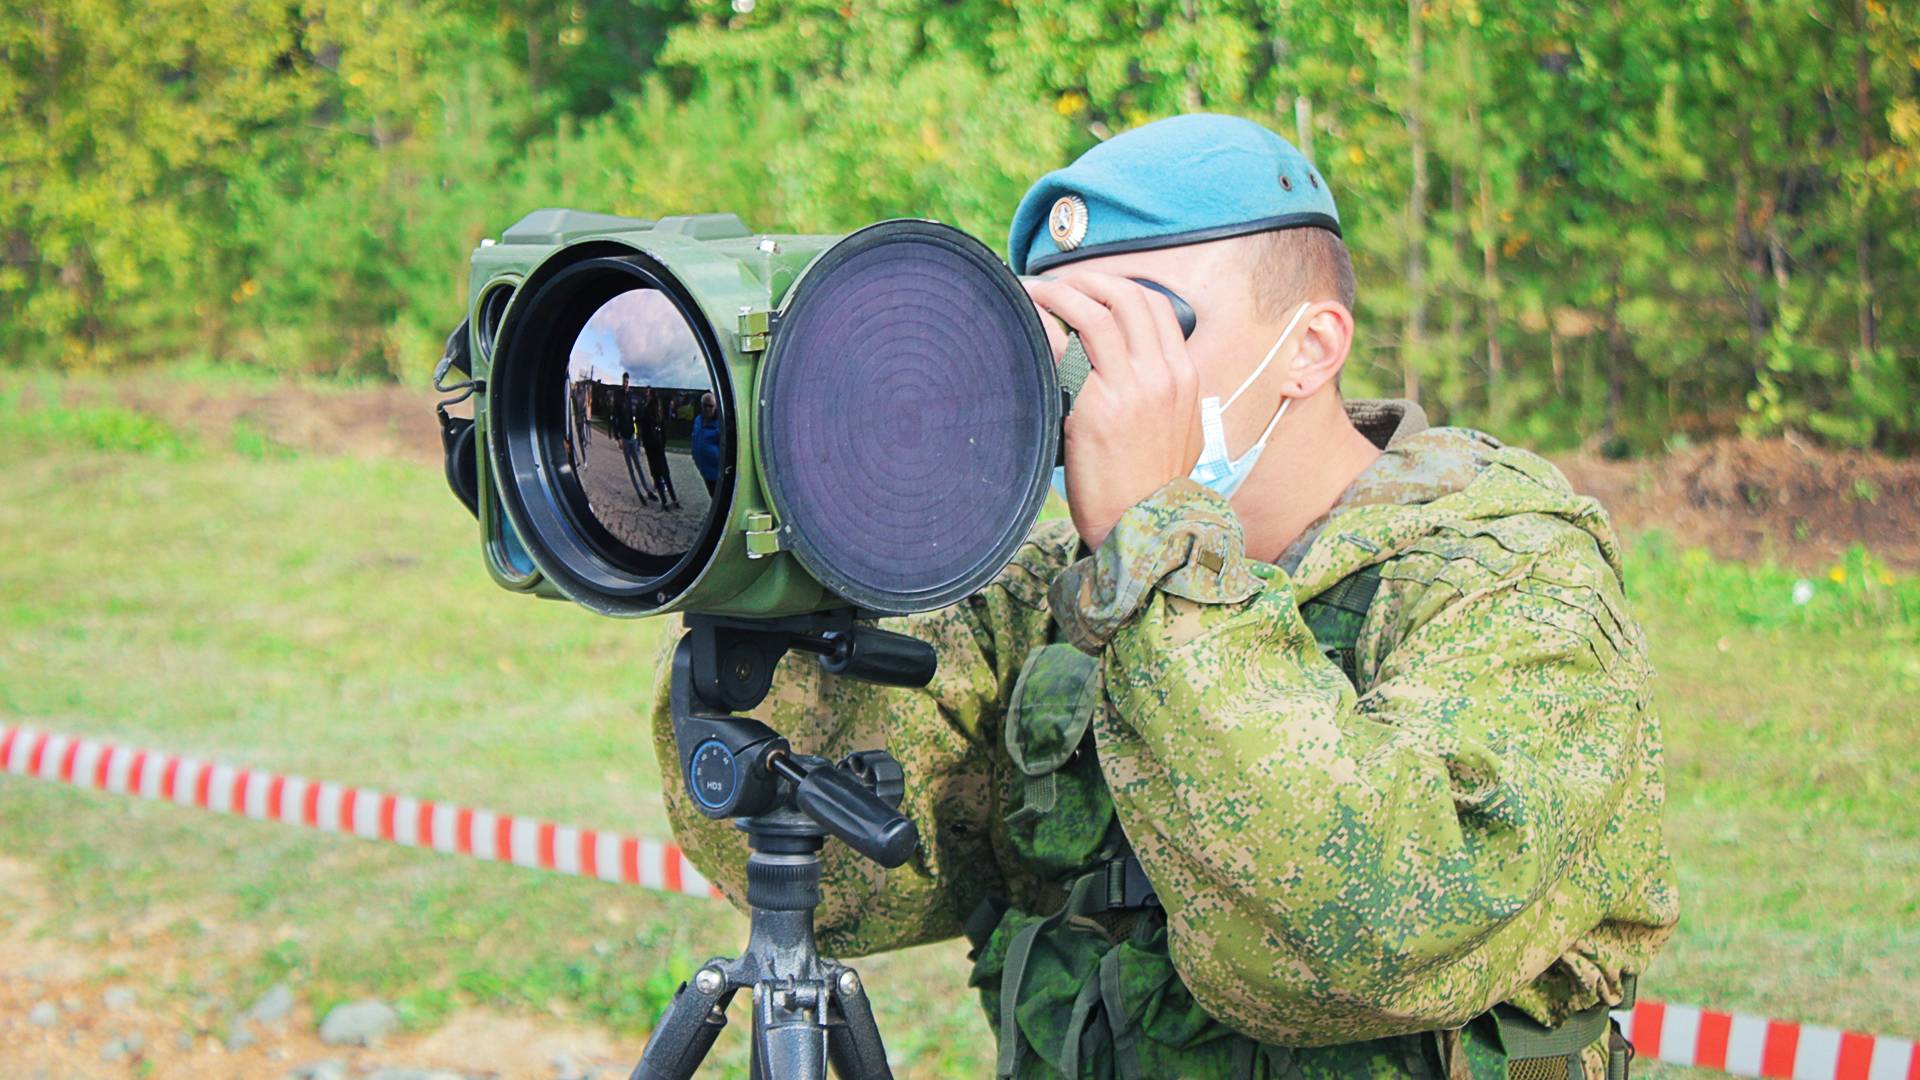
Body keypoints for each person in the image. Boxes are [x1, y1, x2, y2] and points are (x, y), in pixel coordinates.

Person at [649, 114, 1678, 1079]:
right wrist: (820, 523)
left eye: (1140, 328)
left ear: (1312, 347)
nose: (1092, 380)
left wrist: (1161, 552)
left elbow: (1373, 936)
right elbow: (848, 887)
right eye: (1059, 335)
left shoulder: (1507, 581)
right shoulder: (1048, 590)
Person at [617, 373, 655, 504]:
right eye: (624, 381)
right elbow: (615, 417)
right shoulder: (619, 397)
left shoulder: (632, 397)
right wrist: (618, 438)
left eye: (627, 381)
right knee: (631, 468)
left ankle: (648, 491)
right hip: (624, 438)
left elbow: (637, 417)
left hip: (632, 436)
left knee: (639, 465)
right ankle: (639, 494)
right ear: (622, 381)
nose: (626, 384)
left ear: (629, 382)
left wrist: (639, 435)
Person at [640, 389, 680, 509]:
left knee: (657, 475)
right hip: (659, 447)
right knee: (665, 474)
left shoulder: (647, 410)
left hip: (652, 449)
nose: (646, 397)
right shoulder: (659, 410)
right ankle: (674, 499)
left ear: (650, 396)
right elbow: (663, 430)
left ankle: (665, 501)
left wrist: (647, 444)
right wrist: (662, 444)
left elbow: (644, 431)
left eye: (647, 395)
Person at [690, 391, 722, 497]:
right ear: (701, 405)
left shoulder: (720, 425)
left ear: (716, 406)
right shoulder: (698, 420)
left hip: (716, 473)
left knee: (717, 497)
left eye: (710, 406)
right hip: (704, 469)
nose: (707, 408)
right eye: (705, 405)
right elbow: (695, 438)